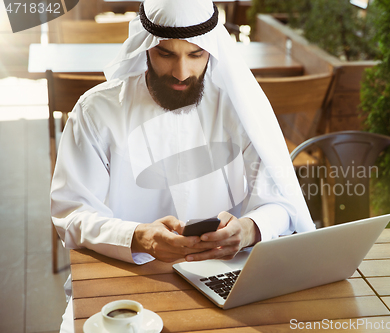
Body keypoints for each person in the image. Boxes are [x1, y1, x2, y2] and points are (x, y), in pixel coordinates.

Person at [50, 0, 315, 331]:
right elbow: (72, 214)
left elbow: (279, 200)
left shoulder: (236, 108)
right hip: (123, 281)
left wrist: (248, 230)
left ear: (212, 50)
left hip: (223, 278)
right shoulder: (96, 111)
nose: (182, 73)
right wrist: (139, 237)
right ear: (146, 47)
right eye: (166, 54)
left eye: (195, 54)